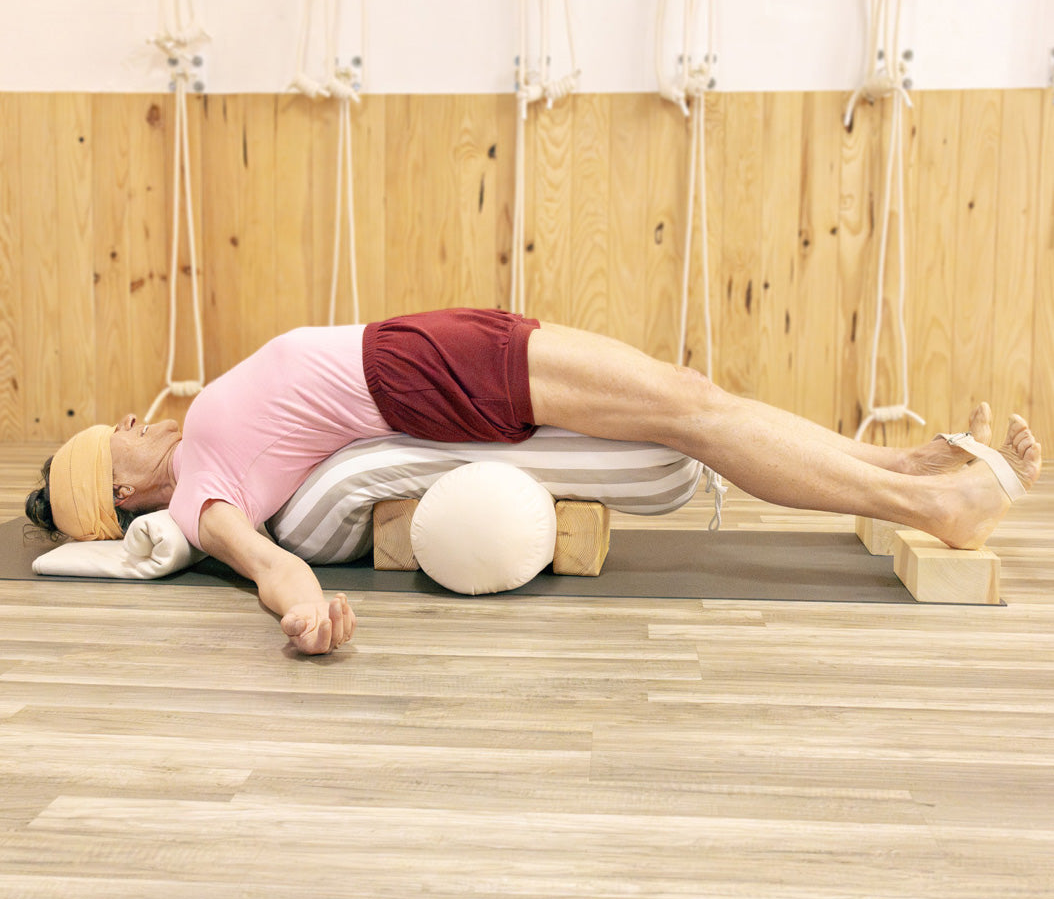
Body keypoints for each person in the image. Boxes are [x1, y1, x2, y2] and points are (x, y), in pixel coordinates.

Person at [25, 308, 1042, 655]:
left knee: (692, 395)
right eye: (108, 442)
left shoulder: (193, 446)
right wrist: (306, 614)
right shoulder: (201, 494)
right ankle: (930, 503)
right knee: (692, 410)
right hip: (422, 371)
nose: (125, 422)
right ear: (117, 498)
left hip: (424, 347)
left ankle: (907, 467)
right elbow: (268, 563)